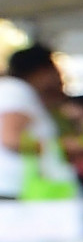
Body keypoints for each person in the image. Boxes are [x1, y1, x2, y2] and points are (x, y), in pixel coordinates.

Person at [0, 44, 73, 200]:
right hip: (13, 188)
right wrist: (55, 147)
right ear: (41, 70)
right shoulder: (15, 90)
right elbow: (11, 139)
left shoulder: (19, 91)